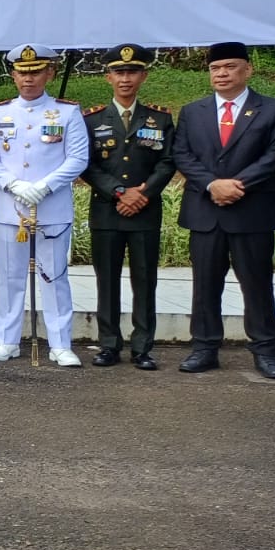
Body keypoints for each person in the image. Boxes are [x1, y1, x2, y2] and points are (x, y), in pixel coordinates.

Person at [172, 41, 275, 380]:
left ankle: (266, 352)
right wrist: (213, 184)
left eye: (230, 67)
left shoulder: (273, 110)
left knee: (257, 285)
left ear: (248, 69)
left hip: (251, 211)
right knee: (205, 285)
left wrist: (236, 185)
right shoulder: (193, 111)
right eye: (215, 68)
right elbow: (182, 154)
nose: (222, 73)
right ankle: (204, 348)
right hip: (206, 211)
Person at [0, 44, 90, 366]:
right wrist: (13, 184)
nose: (29, 78)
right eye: (22, 72)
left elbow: (78, 158)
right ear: (13, 75)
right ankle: (7, 340)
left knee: (53, 277)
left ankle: (60, 344)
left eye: (36, 72)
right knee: (10, 278)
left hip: (51, 208)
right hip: (9, 208)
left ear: (50, 73)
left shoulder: (67, 112)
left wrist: (44, 186)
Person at [81, 44, 177, 370]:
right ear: (108, 77)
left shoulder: (160, 118)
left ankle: (142, 348)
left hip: (145, 211)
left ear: (143, 76)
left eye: (132, 72)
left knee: (145, 281)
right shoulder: (92, 119)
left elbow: (168, 161)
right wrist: (120, 192)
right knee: (107, 282)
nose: (125, 78)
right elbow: (86, 164)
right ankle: (109, 345)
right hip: (107, 211)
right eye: (119, 72)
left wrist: (143, 193)